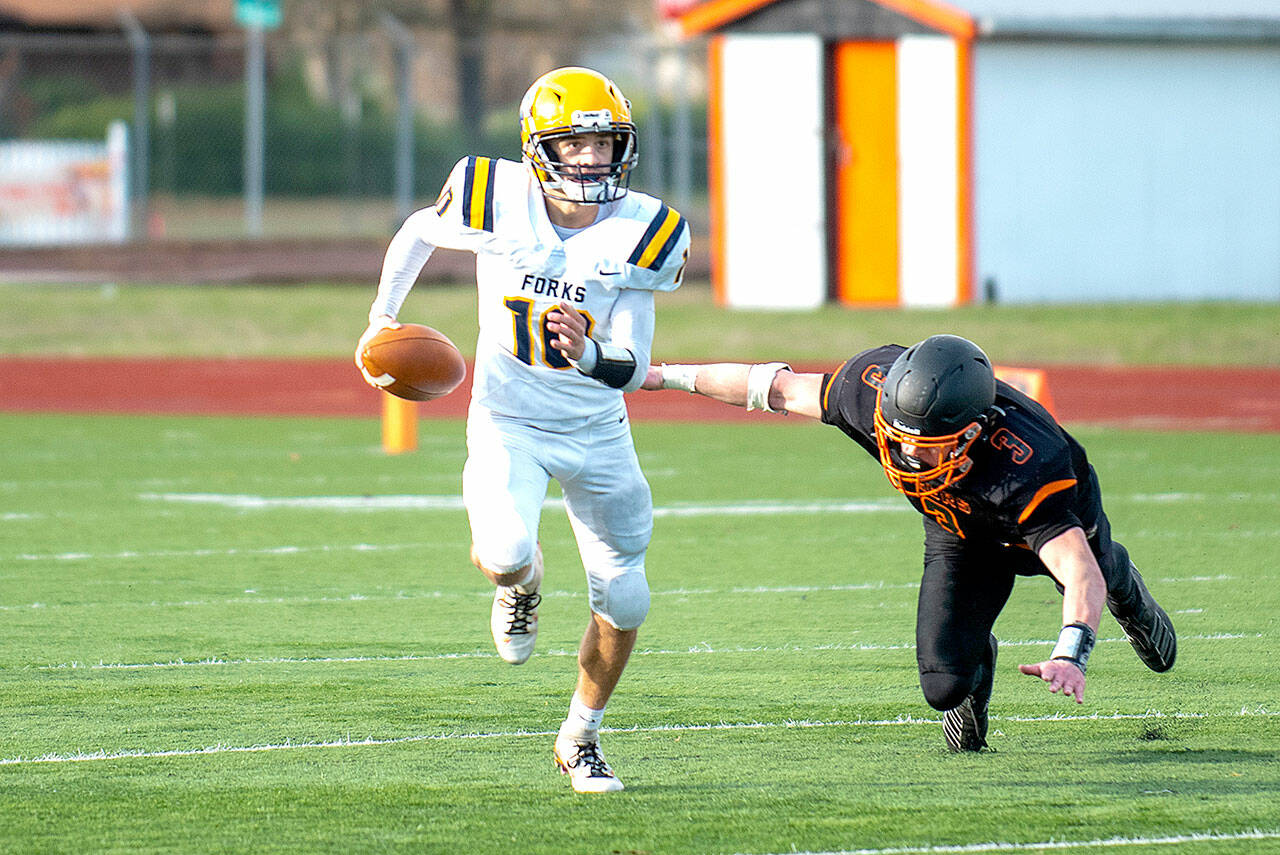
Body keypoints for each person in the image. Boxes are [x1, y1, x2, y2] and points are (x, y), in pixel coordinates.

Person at [356, 67, 689, 791]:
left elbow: (634, 364)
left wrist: (594, 352)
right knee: (505, 550)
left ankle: (581, 737)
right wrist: (382, 320)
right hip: (509, 418)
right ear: (542, 149)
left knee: (627, 596)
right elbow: (416, 233)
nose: (594, 159)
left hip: (598, 428)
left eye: (606, 144)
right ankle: (523, 582)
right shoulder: (492, 193)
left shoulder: (648, 230)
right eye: (577, 145)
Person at [644, 335, 1176, 752]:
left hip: (1037, 528)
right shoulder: (868, 390)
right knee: (943, 682)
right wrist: (667, 375)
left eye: (929, 448)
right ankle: (975, 661)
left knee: (1100, 570)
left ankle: (1128, 588)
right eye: (898, 439)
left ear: (976, 431)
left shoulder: (1026, 463)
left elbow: (1078, 570)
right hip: (958, 529)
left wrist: (1071, 651)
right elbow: (773, 387)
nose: (908, 457)